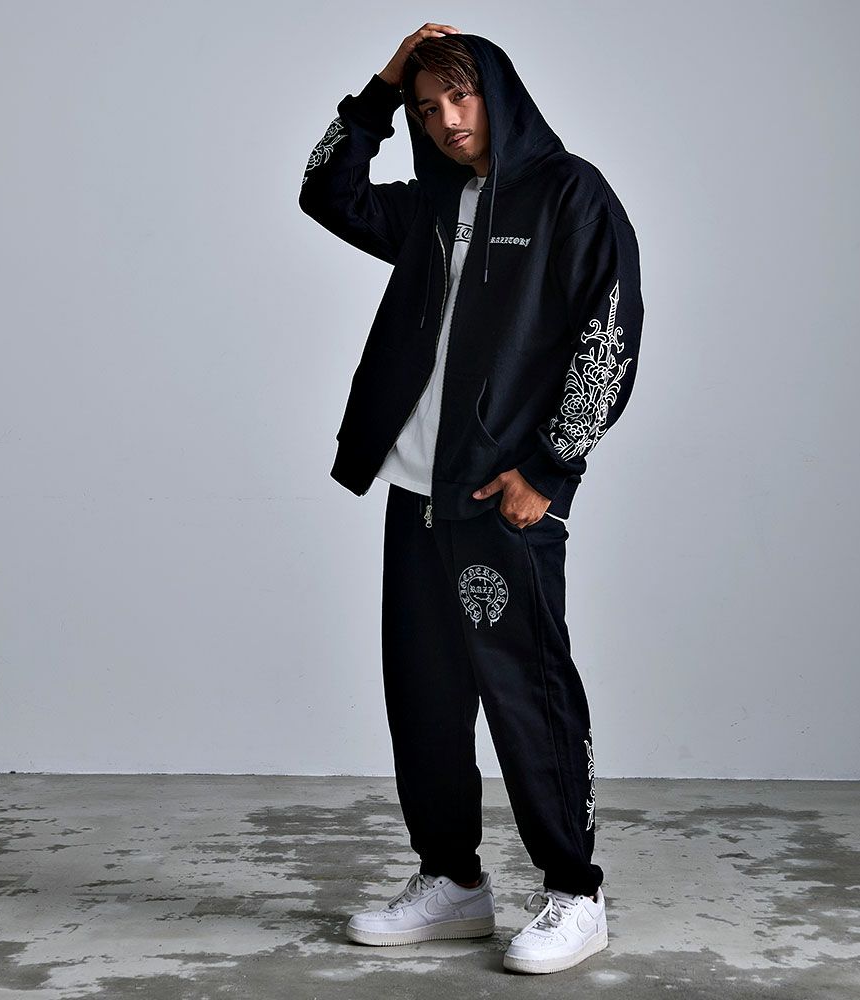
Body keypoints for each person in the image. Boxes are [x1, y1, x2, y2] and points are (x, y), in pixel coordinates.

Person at [299, 24, 643, 975]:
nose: (447, 120)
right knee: (423, 697)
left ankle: (576, 892)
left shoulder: (570, 193)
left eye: (462, 96)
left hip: (501, 498)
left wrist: (552, 469)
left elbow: (610, 332)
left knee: (526, 693)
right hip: (414, 490)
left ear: (498, 91)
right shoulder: (428, 205)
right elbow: (324, 188)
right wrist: (382, 85)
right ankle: (451, 881)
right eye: (427, 108)